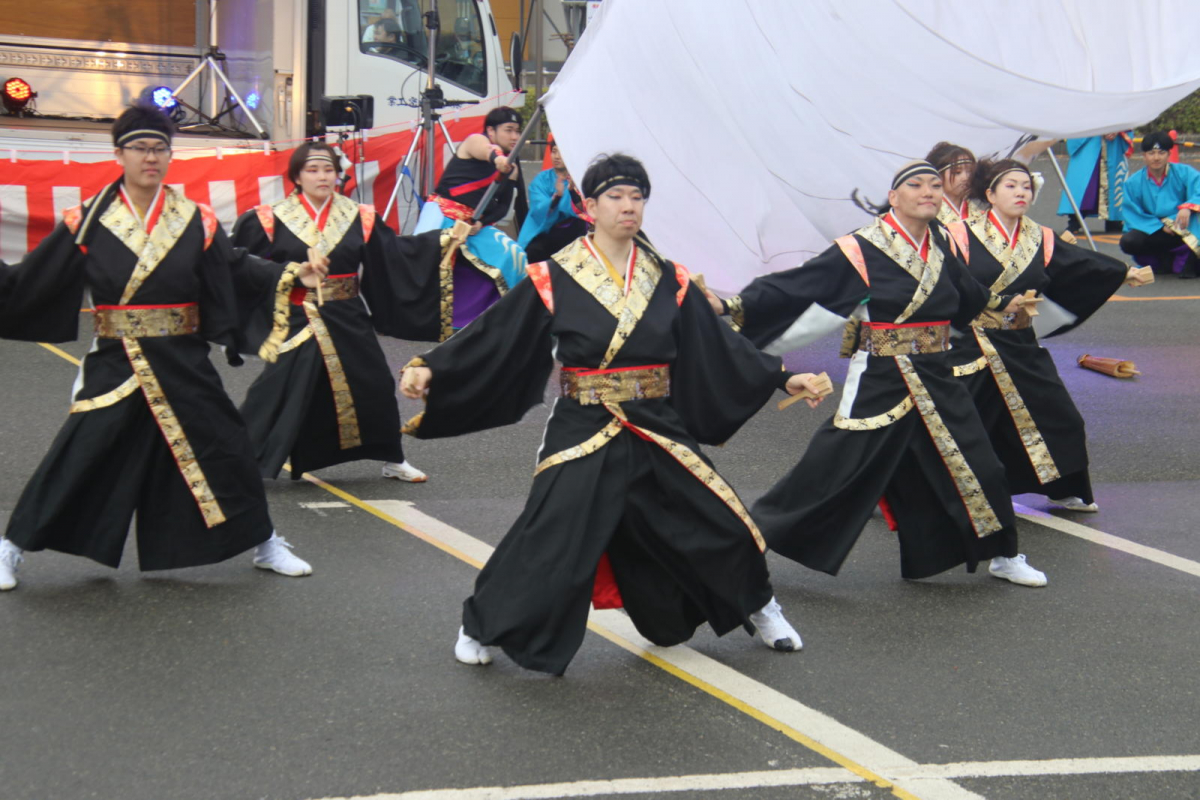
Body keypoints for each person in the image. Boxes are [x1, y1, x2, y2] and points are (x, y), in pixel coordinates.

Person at [400, 153, 827, 674]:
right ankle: (481, 624)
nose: (628, 207)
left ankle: (762, 610)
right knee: (550, 531)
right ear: (591, 205)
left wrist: (785, 375)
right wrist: (433, 367)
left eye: (637, 197)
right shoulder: (555, 276)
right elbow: (498, 331)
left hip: (654, 421)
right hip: (584, 421)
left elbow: (716, 340)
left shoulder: (666, 277)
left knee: (719, 518)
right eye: (616, 197)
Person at [0, 103, 323, 591]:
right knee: (80, 450)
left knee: (226, 445)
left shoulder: (196, 219)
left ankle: (265, 542)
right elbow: (33, 279)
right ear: (119, 154)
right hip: (118, 357)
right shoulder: (87, 220)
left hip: (181, 355)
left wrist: (290, 272)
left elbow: (234, 268)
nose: (151, 158)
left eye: (160, 148)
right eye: (140, 148)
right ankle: (11, 547)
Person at [712, 161, 1047, 587]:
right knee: (830, 470)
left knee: (981, 463)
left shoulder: (939, 239)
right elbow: (800, 284)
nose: (928, 191)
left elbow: (965, 290)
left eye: (933, 185)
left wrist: (1001, 303)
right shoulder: (862, 247)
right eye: (915, 185)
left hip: (937, 373)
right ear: (894, 197)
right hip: (882, 377)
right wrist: (732, 305)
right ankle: (750, 538)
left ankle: (1003, 553)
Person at [943, 158, 1151, 514]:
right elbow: (944, 283)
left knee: (1060, 418)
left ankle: (1063, 488)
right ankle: (933, 494)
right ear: (990, 194)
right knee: (959, 425)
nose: (1021, 192)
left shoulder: (1039, 237)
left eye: (1026, 186)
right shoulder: (960, 233)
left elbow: (1079, 262)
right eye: (1011, 186)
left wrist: (1122, 273)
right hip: (971, 343)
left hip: (1020, 343)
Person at [231, 142, 427, 484]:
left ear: (339, 174)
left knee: (374, 383)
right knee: (276, 388)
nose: (322, 176)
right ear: (296, 176)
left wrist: (443, 242)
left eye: (328, 170)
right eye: (313, 170)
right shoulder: (270, 218)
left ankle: (392, 457)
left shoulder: (359, 216)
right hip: (295, 313)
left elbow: (396, 257)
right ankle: (234, 461)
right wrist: (290, 274)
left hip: (346, 312)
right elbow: (246, 267)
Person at [410, 107, 529, 339]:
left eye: (518, 131)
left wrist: (481, 223)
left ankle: (497, 316)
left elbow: (503, 206)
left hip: (473, 225)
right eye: (509, 130)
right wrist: (499, 160)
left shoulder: (513, 168)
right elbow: (488, 151)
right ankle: (421, 319)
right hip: (443, 213)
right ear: (491, 131)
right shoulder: (476, 142)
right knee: (425, 262)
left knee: (514, 254)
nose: (515, 137)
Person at [1119, 131, 1200, 279]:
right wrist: (1160, 226)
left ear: (1169, 154)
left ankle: (1182, 258)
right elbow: (1133, 213)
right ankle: (1160, 261)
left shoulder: (1184, 173)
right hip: (1155, 229)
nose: (1156, 158)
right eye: (1151, 153)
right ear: (1144, 156)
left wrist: (1187, 207)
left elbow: (1198, 190)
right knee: (1129, 241)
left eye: (1161, 153)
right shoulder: (1133, 183)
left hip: (1182, 228)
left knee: (1188, 271)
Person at [517, 136, 591, 262]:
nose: (556, 156)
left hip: (573, 233)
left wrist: (572, 192)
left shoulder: (579, 179)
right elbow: (538, 208)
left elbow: (585, 210)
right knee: (532, 253)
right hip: (544, 232)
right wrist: (557, 197)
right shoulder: (541, 179)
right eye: (554, 151)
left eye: (561, 152)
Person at [1057, 132, 1132, 235]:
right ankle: (1075, 220)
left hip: (1113, 135)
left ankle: (1114, 219)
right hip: (1089, 131)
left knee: (1113, 177)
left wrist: (1116, 129)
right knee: (1085, 181)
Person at [926, 142, 981, 226]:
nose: (965, 177)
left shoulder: (980, 208)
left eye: (970, 172)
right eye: (957, 172)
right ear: (938, 176)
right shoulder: (928, 210)